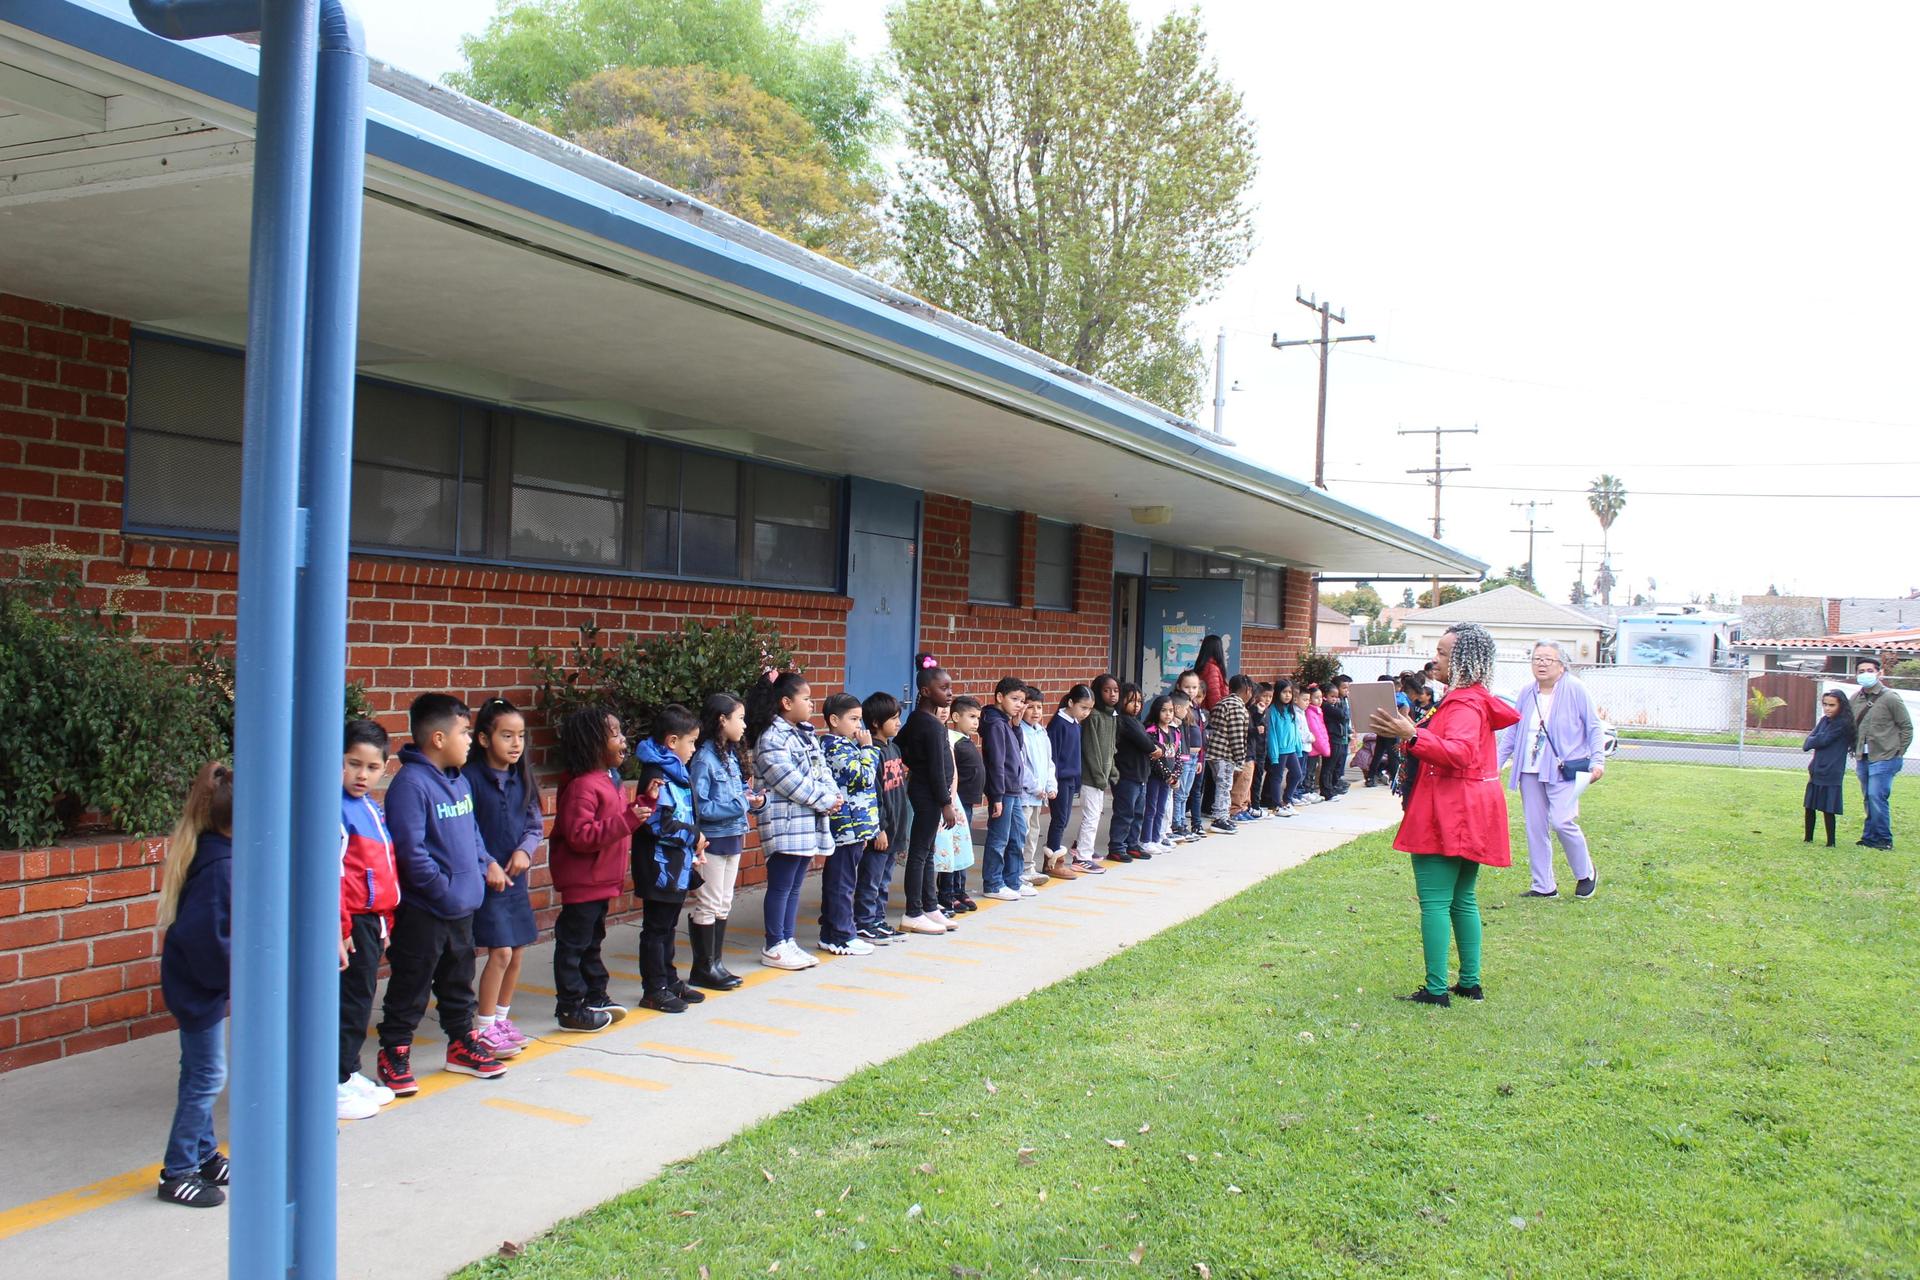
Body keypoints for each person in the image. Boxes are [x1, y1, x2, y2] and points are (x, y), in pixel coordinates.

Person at [1369, 623, 1520, 1007]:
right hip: (1473, 805)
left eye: (1443, 653)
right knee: (1462, 898)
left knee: (1436, 901)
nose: (1435, 660)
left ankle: (1437, 989)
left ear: (1464, 660)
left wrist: (1412, 735)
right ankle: (1469, 982)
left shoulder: (1464, 703)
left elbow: (1460, 752)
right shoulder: (1474, 699)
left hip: (1451, 807)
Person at [376, 694, 509, 1094]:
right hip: (426, 911)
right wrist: (444, 890)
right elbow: (411, 852)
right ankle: (394, 1051)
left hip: (461, 908)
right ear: (437, 738)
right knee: (412, 984)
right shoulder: (411, 786)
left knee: (458, 981)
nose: (470, 740)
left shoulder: (459, 780)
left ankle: (460, 1044)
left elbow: (471, 832)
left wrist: (487, 862)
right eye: (464, 732)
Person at [155, 762, 234, 1208]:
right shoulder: (221, 868)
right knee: (206, 1077)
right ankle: (178, 1170)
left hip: (196, 983)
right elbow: (212, 941)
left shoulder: (212, 852)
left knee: (199, 1073)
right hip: (198, 987)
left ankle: (203, 1155)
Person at [549, 706, 657, 1030]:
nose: (623, 739)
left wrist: (643, 806)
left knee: (592, 941)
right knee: (574, 945)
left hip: (600, 881)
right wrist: (627, 819)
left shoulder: (609, 780)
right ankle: (570, 1007)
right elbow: (581, 836)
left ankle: (595, 995)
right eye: (614, 734)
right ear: (591, 742)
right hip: (583, 881)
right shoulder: (583, 786)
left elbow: (616, 821)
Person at [463, 698, 543, 1062]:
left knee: (519, 950)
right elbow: (467, 829)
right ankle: (483, 1026)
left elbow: (533, 823)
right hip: (490, 881)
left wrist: (525, 851)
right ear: (483, 739)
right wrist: (487, 864)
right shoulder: (470, 780)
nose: (515, 744)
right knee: (500, 951)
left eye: (521, 736)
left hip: (517, 878)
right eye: (506, 736)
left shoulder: (521, 776)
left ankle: (501, 1019)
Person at [1498, 641, 1606, 900]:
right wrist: (1496, 764)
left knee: (1562, 821)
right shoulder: (1527, 692)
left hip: (1565, 769)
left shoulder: (1575, 689)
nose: (1542, 664)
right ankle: (1543, 885)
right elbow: (1513, 731)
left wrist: (1598, 761)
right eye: (1537, 659)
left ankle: (1585, 872)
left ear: (1561, 665)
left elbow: (1593, 726)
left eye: (1548, 659)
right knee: (1535, 827)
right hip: (1529, 769)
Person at [749, 671, 843, 968]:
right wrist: (826, 799)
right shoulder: (772, 737)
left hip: (806, 821)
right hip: (785, 822)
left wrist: (833, 794)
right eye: (806, 698)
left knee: (794, 885)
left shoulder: (805, 733)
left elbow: (821, 770)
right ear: (786, 702)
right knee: (781, 884)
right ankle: (774, 944)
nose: (812, 704)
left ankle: (787, 940)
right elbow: (789, 780)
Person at [339, 720, 399, 1121]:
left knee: (361, 1002)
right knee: (347, 1004)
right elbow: (333, 876)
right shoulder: (335, 808)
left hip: (371, 921)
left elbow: (384, 870)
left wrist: (387, 925)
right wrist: (340, 929)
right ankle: (333, 1083)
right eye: (353, 763)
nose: (362, 775)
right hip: (351, 924)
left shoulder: (369, 808)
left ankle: (346, 1072)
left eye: (372, 767)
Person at [631, 704, 709, 1011]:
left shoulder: (675, 770)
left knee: (668, 924)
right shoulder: (657, 774)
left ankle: (669, 978)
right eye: (691, 742)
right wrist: (694, 836)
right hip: (658, 866)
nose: (693, 748)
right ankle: (654, 988)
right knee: (656, 928)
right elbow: (657, 824)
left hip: (676, 864)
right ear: (672, 742)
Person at [688, 692, 758, 990]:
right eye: (739, 718)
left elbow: (739, 793)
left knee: (724, 903)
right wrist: (741, 804)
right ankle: (703, 968)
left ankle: (716, 963)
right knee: (709, 903)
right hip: (713, 842)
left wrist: (754, 800)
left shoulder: (728, 755)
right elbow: (699, 807)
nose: (744, 725)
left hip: (733, 838)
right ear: (722, 720)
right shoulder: (704, 759)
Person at [897, 665, 960, 934]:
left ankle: (930, 906)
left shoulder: (918, 719)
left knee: (928, 851)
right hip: (929, 795)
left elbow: (904, 749)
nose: (949, 694)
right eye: (943, 688)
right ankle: (913, 912)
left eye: (950, 688)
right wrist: (946, 803)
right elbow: (936, 767)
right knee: (920, 853)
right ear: (925, 691)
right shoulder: (930, 725)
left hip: (927, 791)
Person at [821, 693, 881, 952]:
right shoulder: (834, 747)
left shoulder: (847, 745)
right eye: (853, 719)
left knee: (844, 880)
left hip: (857, 827)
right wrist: (869, 748)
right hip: (846, 827)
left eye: (860, 719)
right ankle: (840, 935)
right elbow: (864, 777)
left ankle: (834, 931)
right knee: (842, 883)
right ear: (834, 720)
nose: (859, 725)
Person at [857, 691, 913, 941]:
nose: (898, 723)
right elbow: (874, 794)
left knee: (884, 879)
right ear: (877, 723)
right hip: (881, 831)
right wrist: (879, 828)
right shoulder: (873, 753)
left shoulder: (894, 748)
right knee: (871, 879)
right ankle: (864, 921)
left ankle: (878, 919)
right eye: (893, 718)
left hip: (896, 828)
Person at [979, 676, 1032, 901]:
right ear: (1000, 697)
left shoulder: (1006, 723)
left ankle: (1013, 879)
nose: (1019, 705)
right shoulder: (994, 723)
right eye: (1014, 699)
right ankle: (993, 883)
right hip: (1003, 791)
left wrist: (1018, 726)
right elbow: (997, 762)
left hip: (1013, 790)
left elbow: (1016, 749)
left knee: (1018, 834)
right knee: (999, 837)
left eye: (1022, 701)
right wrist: (997, 796)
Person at [1851, 657, 1912, 850]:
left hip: (1885, 757)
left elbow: (1906, 727)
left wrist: (1898, 751)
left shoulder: (1890, 697)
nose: (1865, 674)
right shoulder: (1856, 699)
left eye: (1869, 670)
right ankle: (1869, 837)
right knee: (1869, 797)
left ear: (1879, 673)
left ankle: (1884, 839)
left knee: (1877, 796)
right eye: (1861, 671)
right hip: (1864, 756)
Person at [1046, 685, 1097, 875]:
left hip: (1069, 780)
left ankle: (1054, 856)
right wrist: (1052, 782)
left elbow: (1075, 755)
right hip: (1059, 780)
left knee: (1064, 819)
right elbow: (1053, 757)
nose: (1086, 712)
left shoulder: (1075, 723)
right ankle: (1052, 861)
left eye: (1089, 709)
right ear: (1070, 702)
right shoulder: (1058, 724)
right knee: (1059, 819)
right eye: (1083, 707)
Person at [943, 697, 987, 912]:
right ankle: (947, 891)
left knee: (963, 849)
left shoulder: (965, 739)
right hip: (956, 804)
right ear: (955, 717)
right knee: (954, 848)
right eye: (971, 717)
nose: (976, 722)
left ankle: (960, 889)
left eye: (977, 718)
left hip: (968, 803)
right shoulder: (952, 740)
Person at [1074, 674, 1122, 865]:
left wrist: (1113, 770)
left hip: (1101, 776)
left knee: (1095, 814)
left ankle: (1082, 847)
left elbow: (1111, 746)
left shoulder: (1111, 715)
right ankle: (1082, 858)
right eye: (1107, 690)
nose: (1112, 694)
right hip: (1091, 777)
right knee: (1091, 816)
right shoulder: (1093, 716)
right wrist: (1099, 776)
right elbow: (1090, 749)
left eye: (1116, 690)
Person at [1109, 682, 1157, 862]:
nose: (1136, 705)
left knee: (1138, 813)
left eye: (1139, 701)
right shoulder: (1124, 721)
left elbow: (1147, 740)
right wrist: (1154, 748)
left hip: (1140, 775)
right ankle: (1116, 846)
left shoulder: (1136, 721)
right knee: (1125, 813)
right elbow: (1145, 743)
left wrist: (1154, 747)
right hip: (1127, 775)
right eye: (1131, 701)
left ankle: (1132, 844)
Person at [1017, 686, 1058, 888]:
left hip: (1039, 795)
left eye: (1039, 707)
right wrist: (1034, 787)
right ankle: (1017, 871)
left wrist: (1051, 785)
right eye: (1030, 707)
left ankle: (1028, 867)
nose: (1035, 712)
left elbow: (1049, 763)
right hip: (1026, 794)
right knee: (1021, 832)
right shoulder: (1020, 733)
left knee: (1034, 832)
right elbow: (1021, 766)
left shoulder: (1042, 732)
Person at [1802, 691, 1855, 848]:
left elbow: (1822, 739)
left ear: (1841, 705)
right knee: (1810, 805)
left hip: (1832, 770)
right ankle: (1808, 838)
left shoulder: (1843, 723)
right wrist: (1816, 739)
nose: (1827, 708)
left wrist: (1815, 739)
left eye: (1832, 705)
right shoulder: (1824, 720)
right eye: (1825, 704)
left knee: (1828, 807)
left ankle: (1830, 841)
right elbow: (1807, 744)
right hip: (1817, 768)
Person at [1206, 675, 1253, 833]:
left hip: (1214, 752)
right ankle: (1220, 818)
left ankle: (1222, 816)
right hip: (1224, 753)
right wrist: (1240, 759)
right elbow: (1236, 735)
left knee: (1222, 785)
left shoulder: (1224, 702)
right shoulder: (1236, 706)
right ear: (1247, 690)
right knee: (1224, 786)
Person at [1141, 691, 1186, 855]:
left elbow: (1179, 755)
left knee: (1162, 808)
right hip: (1155, 776)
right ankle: (1146, 840)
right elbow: (1154, 758)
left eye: (1171, 711)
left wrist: (1176, 775)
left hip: (1168, 778)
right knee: (1151, 807)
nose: (1168, 714)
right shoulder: (1152, 730)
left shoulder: (1175, 732)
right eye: (1164, 710)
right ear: (1156, 711)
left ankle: (1157, 838)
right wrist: (1168, 775)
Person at [1170, 673, 1205, 842]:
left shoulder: (1195, 707)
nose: (1191, 691)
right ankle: (1177, 824)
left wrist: (1199, 759)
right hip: (1183, 756)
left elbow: (1201, 733)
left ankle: (1182, 822)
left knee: (1186, 793)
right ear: (1178, 686)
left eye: (1194, 687)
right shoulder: (1178, 706)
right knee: (1179, 793)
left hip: (1194, 757)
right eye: (1187, 687)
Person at [1236, 684, 1271, 822]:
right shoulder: (1246, 710)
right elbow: (1247, 731)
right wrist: (1257, 726)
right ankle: (1237, 809)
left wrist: (1259, 713)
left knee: (1249, 782)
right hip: (1246, 751)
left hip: (1256, 750)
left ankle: (1247, 806)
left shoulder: (1257, 710)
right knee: (1242, 783)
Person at [1321, 677, 1353, 799]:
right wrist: (1340, 705)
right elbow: (1343, 716)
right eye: (1332, 697)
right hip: (1332, 738)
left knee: (1334, 765)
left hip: (1339, 737)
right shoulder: (1327, 707)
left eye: (1336, 697)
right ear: (1325, 697)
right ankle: (1327, 790)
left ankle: (1332, 787)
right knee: (1328, 767)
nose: (1335, 699)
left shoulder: (1336, 704)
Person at [1195, 634, 1230, 710]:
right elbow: (1214, 697)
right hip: (1212, 714)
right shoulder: (1212, 668)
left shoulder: (1203, 666)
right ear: (1218, 649)